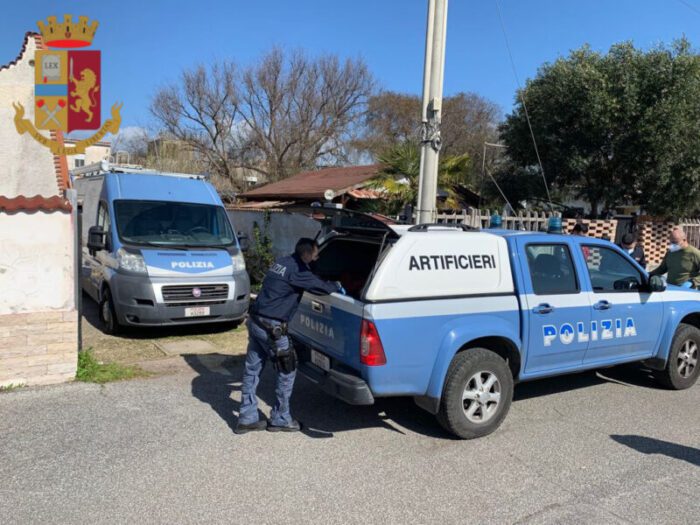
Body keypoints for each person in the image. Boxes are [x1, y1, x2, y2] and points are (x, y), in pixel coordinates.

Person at [235, 238, 343, 434]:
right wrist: (338, 285)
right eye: (316, 254)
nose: (317, 257)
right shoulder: (298, 271)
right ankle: (281, 418)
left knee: (252, 369)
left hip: (256, 321)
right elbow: (321, 287)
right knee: (287, 369)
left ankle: (246, 417)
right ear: (308, 254)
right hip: (272, 328)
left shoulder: (282, 262)